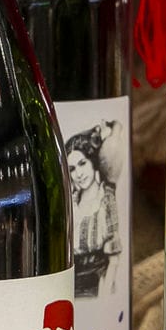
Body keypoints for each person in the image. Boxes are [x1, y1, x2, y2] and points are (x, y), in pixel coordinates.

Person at [67, 126, 123, 304]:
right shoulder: (70, 202)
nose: (78, 174)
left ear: (92, 162)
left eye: (82, 164)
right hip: (69, 286)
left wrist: (105, 299)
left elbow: (113, 260)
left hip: (98, 282)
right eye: (72, 169)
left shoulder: (105, 199)